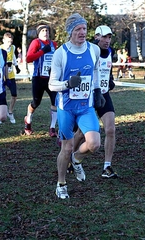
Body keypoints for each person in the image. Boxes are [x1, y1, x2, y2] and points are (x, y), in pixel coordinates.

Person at [49, 13, 105, 199]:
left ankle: (77, 159)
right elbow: (52, 84)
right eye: (78, 29)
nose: (82, 33)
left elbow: (96, 70)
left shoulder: (93, 50)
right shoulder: (61, 53)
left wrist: (97, 91)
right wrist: (67, 85)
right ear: (70, 32)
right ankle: (61, 183)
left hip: (85, 106)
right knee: (66, 147)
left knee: (94, 144)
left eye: (84, 29)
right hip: (66, 108)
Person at [73, 25, 118, 179]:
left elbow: (107, 71)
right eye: (104, 37)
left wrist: (110, 81)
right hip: (89, 96)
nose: (107, 40)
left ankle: (107, 166)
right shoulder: (89, 51)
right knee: (80, 133)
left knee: (110, 129)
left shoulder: (111, 52)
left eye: (109, 37)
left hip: (104, 95)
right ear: (97, 37)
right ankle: (70, 158)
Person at [24, 25, 58, 137]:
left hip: (51, 79)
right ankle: (28, 121)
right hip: (38, 78)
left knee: (55, 101)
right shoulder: (36, 43)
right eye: (43, 31)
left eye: (47, 30)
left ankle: (52, 128)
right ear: (38, 33)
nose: (45, 32)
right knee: (36, 102)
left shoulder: (54, 44)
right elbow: (29, 58)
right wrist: (42, 51)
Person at [0, 32, 21, 123]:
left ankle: (10, 112)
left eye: (11, 41)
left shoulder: (13, 47)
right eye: (8, 42)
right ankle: (0, 113)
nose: (9, 43)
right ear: (3, 41)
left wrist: (16, 66)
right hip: (2, 74)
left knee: (14, 94)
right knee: (0, 95)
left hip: (11, 74)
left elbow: (13, 57)